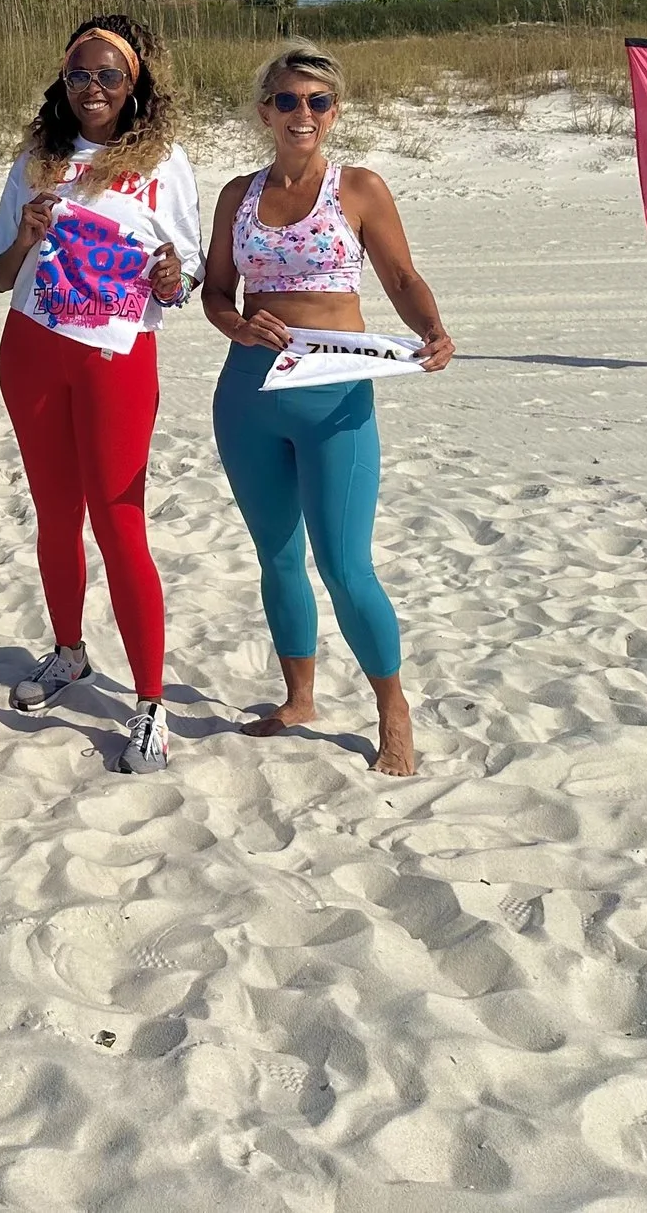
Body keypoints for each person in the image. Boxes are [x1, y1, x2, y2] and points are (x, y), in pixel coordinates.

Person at [202, 43, 453, 777]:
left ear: (334, 112)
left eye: (317, 101)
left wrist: (432, 329)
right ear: (265, 112)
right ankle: (299, 696)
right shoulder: (237, 195)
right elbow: (215, 293)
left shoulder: (359, 188)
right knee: (277, 555)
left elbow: (401, 277)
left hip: (335, 391)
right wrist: (237, 325)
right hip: (248, 393)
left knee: (345, 564)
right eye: (287, 100)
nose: (302, 113)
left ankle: (392, 709)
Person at [0, 14, 202, 774]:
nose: (93, 88)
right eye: (80, 74)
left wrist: (171, 277)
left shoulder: (162, 160)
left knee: (119, 522)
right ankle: (70, 652)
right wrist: (25, 234)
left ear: (134, 82)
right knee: (54, 515)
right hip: (33, 350)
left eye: (110, 75)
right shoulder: (37, 157)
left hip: (117, 356)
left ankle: (150, 702)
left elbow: (185, 272)